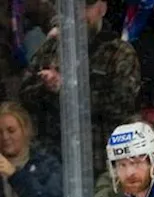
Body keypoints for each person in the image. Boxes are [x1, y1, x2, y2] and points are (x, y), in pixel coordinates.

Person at [20, 0, 139, 171]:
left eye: (87, 6)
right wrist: (47, 86)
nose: (80, 14)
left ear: (102, 9)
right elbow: (24, 95)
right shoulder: (51, 47)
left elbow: (121, 105)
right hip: (53, 160)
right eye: (75, 7)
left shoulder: (119, 52)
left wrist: (67, 90)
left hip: (101, 161)